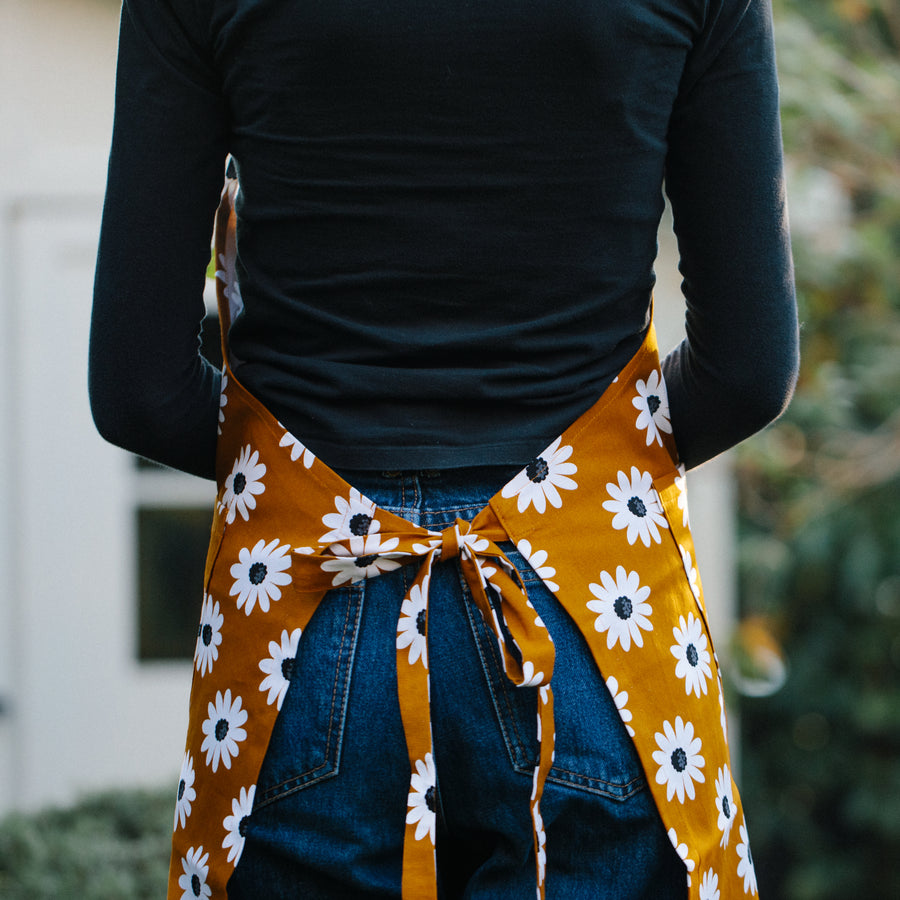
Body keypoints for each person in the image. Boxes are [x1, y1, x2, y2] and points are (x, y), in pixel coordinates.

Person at [90, 0, 798, 897]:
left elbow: (139, 389)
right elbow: (748, 369)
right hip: (593, 627)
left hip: (305, 623)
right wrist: (574, 487)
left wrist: (309, 483)